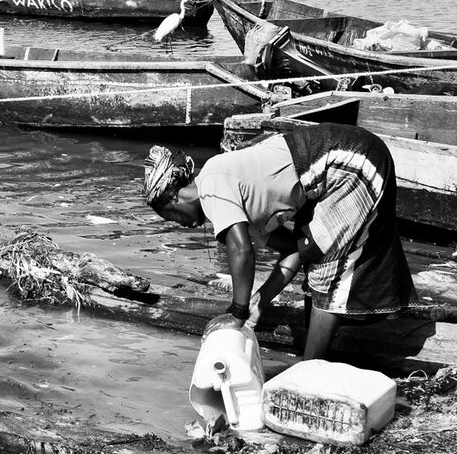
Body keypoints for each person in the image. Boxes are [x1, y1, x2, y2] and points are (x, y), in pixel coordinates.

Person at [144, 123, 415, 359]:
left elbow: (241, 251)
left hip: (349, 160)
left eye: (170, 217)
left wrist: (237, 313)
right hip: (345, 162)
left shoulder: (212, 184)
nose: (181, 224)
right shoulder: (241, 208)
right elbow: (293, 251)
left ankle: (308, 373)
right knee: (313, 255)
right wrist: (259, 302)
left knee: (326, 270)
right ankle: (319, 358)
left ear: (173, 199)